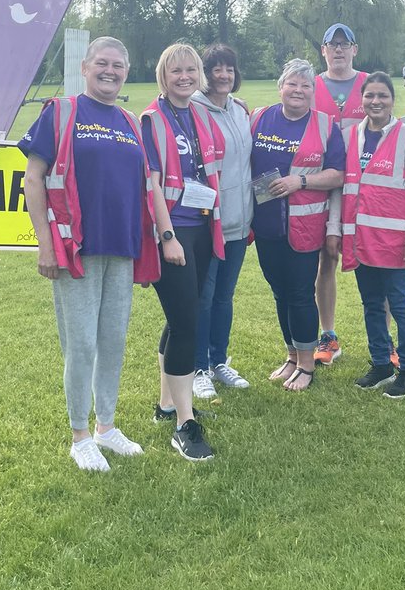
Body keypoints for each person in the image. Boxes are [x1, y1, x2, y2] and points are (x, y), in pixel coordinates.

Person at [19, 36, 156, 472]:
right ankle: (79, 435)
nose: (110, 71)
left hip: (121, 246)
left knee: (112, 341)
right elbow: (33, 179)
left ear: (126, 71)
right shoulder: (60, 113)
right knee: (81, 344)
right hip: (75, 247)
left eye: (118, 65)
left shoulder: (131, 121)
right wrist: (44, 242)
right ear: (85, 67)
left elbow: (145, 183)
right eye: (102, 63)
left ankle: (106, 427)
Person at [142, 43, 225, 461]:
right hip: (173, 233)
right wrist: (167, 233)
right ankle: (184, 426)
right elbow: (151, 182)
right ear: (164, 75)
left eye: (191, 69)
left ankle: (168, 403)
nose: (184, 76)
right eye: (176, 70)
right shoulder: (151, 119)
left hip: (202, 230)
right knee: (187, 324)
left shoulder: (200, 114)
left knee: (182, 319)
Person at [326, 71, 405, 397]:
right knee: (371, 304)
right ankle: (382, 363)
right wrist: (334, 229)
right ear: (362, 100)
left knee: (400, 306)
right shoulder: (351, 136)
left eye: (382, 96)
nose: (375, 101)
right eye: (369, 96)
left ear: (392, 100)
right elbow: (342, 189)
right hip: (361, 240)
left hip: (395, 242)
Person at [250, 59, 345, 391]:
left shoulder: (325, 125)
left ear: (314, 92)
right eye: (292, 84)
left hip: (305, 229)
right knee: (279, 294)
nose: (299, 91)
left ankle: (307, 365)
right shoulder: (259, 118)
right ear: (281, 87)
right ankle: (292, 355)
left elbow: (338, 174)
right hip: (266, 225)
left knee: (301, 294)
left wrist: (300, 181)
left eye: (306, 86)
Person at [190, 44, 254, 398]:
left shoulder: (241, 111)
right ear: (206, 72)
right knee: (203, 296)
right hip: (208, 222)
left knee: (224, 297)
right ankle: (198, 367)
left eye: (229, 68)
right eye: (217, 68)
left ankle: (218, 361)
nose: (224, 75)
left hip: (239, 222)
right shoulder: (193, 110)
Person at [311, 23, 368, 365]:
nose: (338, 50)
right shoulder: (312, 85)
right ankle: (328, 334)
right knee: (327, 255)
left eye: (345, 45)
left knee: (376, 255)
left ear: (355, 49)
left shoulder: (369, 84)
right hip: (326, 182)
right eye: (332, 45)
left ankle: (384, 338)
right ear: (323, 51)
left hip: (367, 187)